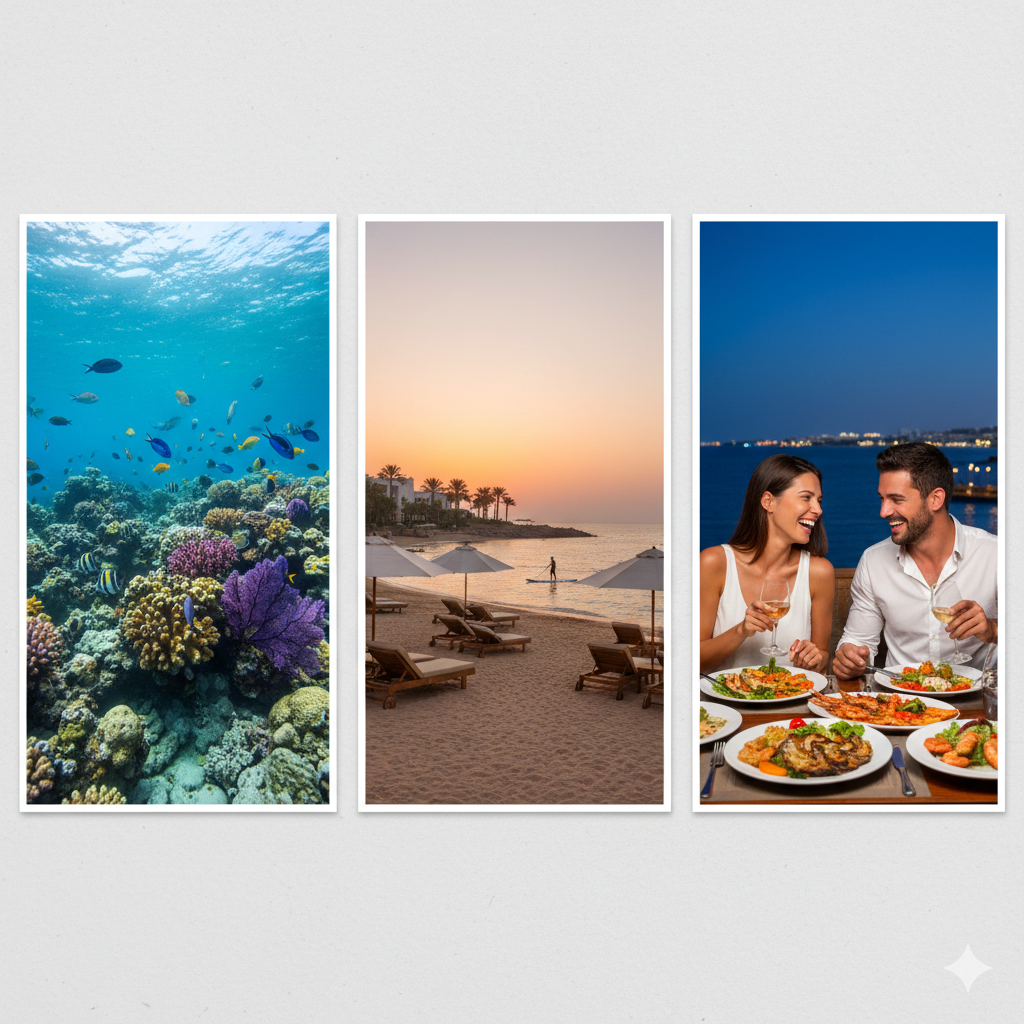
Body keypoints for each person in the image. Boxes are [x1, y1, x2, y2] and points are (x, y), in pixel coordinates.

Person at [834, 442, 997, 679]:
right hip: (899, 703)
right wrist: (849, 657)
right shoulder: (873, 561)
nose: (884, 511)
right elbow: (858, 641)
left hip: (976, 704)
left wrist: (992, 630)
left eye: (896, 499)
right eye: (882, 498)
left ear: (935, 499)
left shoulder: (995, 554)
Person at [700, 454, 835, 673]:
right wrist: (742, 630)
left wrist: (814, 658)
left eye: (819, 500)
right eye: (806, 498)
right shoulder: (714, 563)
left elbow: (822, 659)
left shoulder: (819, 573)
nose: (818, 509)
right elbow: (691, 662)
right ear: (768, 502)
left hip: (791, 703)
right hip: (722, 705)